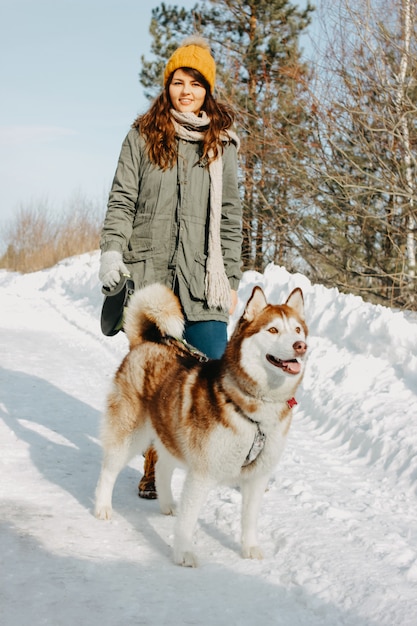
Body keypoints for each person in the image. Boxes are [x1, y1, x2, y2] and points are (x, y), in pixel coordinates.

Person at [98, 35, 243, 498]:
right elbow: (122, 199)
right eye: (178, 82)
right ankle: (152, 466)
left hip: (205, 282)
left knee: (211, 375)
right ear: (167, 86)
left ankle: (202, 466)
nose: (186, 91)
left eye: (196, 84)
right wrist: (111, 251)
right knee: (156, 382)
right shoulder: (142, 135)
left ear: (207, 91)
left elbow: (231, 217)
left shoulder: (222, 145)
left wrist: (233, 277)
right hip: (151, 278)